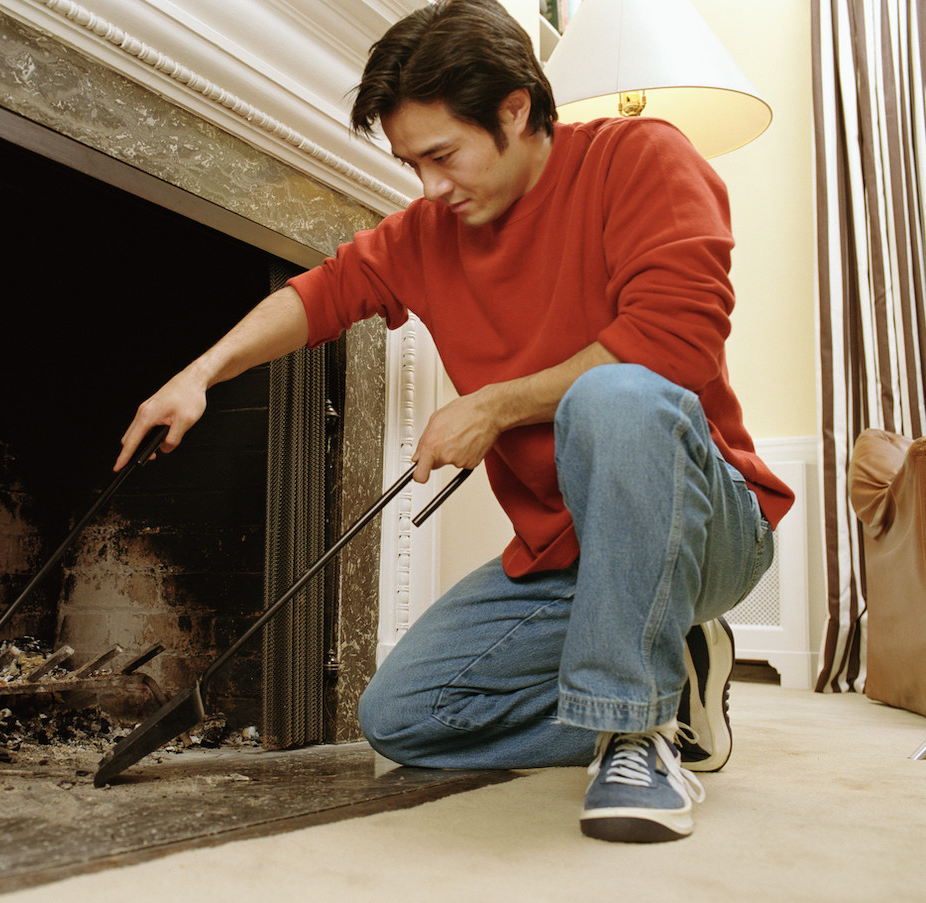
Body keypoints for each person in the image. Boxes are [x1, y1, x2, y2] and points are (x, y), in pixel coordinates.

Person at [115, 0, 794, 844]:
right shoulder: (427, 234)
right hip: (567, 555)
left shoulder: (643, 156)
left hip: (708, 525)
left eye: (442, 155)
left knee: (613, 396)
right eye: (412, 163)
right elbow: (321, 294)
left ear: (516, 109)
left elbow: (673, 345)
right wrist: (201, 373)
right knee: (404, 718)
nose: (430, 187)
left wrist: (494, 404)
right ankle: (671, 678)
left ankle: (638, 733)